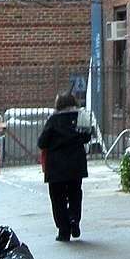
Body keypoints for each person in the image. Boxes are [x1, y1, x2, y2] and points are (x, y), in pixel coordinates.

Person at [37, 93, 91, 243]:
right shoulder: (81, 116)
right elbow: (87, 136)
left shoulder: (53, 120)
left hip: (56, 166)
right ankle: (74, 219)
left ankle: (63, 230)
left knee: (57, 198)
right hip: (76, 163)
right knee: (75, 194)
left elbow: (42, 142)